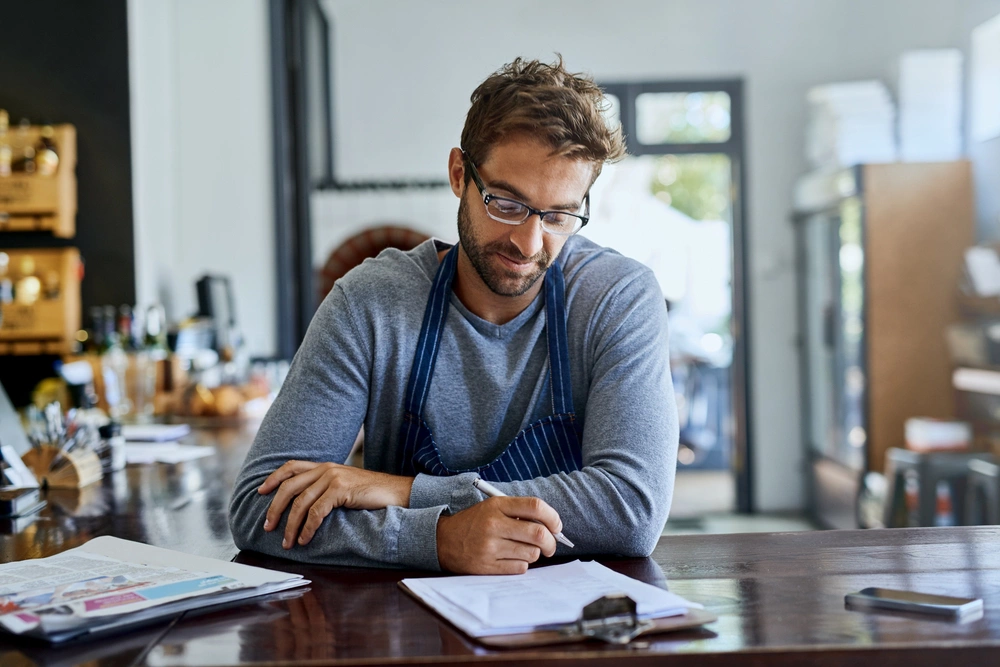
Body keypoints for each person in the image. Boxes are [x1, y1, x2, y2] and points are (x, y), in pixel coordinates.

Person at [229, 56, 678, 575]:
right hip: (405, 629)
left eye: (558, 216)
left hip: (574, 632)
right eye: (506, 203)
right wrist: (439, 540)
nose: (529, 243)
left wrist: (402, 491)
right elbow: (259, 508)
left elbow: (630, 508)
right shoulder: (371, 303)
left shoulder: (616, 298)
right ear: (459, 174)